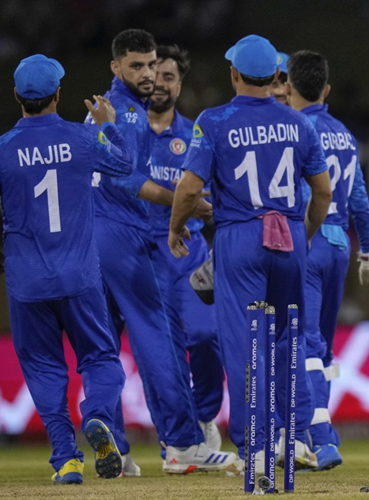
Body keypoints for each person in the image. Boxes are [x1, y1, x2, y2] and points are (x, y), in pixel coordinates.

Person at [0, 54, 132, 483]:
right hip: (80, 278)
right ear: (58, 94)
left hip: (27, 283)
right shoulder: (82, 139)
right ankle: (99, 417)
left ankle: (66, 460)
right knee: (101, 357)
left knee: (43, 369)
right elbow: (125, 164)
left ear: (16, 96)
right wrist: (108, 125)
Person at [168, 34, 332, 474]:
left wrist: (176, 227)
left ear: (234, 74)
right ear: (277, 76)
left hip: (240, 238)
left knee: (245, 347)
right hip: (289, 237)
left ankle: (255, 449)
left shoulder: (214, 120)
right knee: (288, 341)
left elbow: (189, 188)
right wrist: (304, 234)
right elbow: (322, 191)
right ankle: (293, 439)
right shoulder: (299, 123)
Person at [87, 29, 235, 474]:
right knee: (159, 339)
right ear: (116, 67)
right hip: (131, 238)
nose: (150, 75)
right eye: (139, 66)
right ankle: (183, 443)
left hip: (96, 240)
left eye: (153, 66)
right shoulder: (129, 114)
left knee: (102, 348)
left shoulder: (105, 112)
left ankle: (118, 448)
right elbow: (125, 179)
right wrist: (181, 202)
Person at [286, 50, 369, 471]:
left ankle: (319, 436)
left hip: (309, 240)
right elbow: (359, 198)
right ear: (326, 90)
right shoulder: (344, 134)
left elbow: (299, 192)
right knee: (322, 347)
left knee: (304, 341)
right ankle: (313, 434)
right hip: (340, 247)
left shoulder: (294, 128)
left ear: (288, 87)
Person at [147, 44, 224, 450]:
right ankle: (175, 436)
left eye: (169, 77)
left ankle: (205, 415)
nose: (160, 83)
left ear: (180, 85)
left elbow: (212, 195)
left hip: (189, 250)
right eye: (155, 75)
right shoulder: (126, 132)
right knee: (161, 351)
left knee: (205, 334)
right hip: (141, 253)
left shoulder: (197, 134)